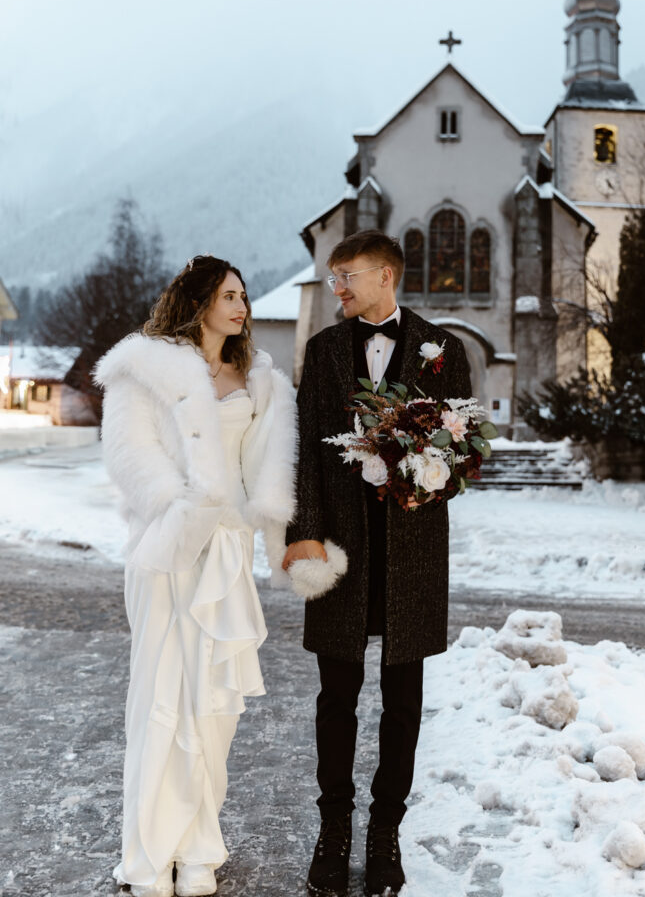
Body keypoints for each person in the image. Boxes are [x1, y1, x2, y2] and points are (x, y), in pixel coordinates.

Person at [95, 255, 296, 897]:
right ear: (199, 300)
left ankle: (198, 848)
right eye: (229, 295)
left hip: (229, 552)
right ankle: (150, 856)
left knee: (213, 708)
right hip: (168, 548)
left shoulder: (258, 379)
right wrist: (183, 510)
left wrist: (276, 535)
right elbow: (129, 454)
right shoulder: (144, 368)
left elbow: (270, 470)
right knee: (161, 696)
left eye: (244, 296)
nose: (242, 307)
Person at [283, 230, 472, 897]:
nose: (337, 287)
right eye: (333, 276)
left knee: (403, 701)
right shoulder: (322, 350)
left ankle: (385, 833)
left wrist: (423, 475)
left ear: (386, 275)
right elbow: (305, 453)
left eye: (348, 275)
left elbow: (461, 451)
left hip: (411, 551)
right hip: (339, 549)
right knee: (336, 698)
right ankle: (333, 831)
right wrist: (304, 535)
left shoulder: (443, 349)